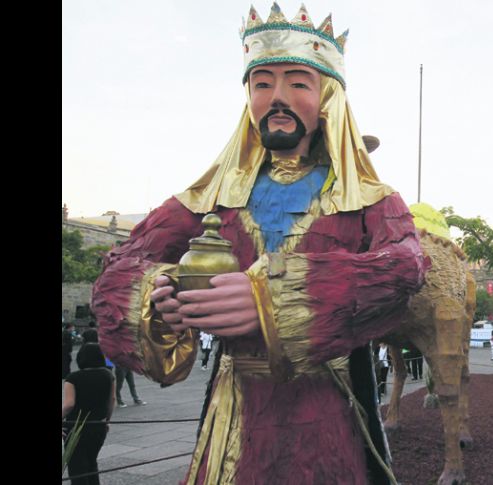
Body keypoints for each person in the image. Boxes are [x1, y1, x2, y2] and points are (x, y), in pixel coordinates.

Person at [91, 4, 428, 484]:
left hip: (329, 402)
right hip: (235, 406)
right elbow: (120, 266)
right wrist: (160, 295)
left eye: (297, 83)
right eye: (262, 83)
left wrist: (273, 300)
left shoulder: (372, 199)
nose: (277, 98)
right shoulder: (214, 197)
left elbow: (406, 266)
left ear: (327, 98)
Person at [62, 343, 116, 485]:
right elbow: (112, 400)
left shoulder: (73, 378)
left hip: (75, 428)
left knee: (77, 468)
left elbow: (69, 404)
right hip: (98, 426)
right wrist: (107, 421)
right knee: (92, 463)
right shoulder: (108, 375)